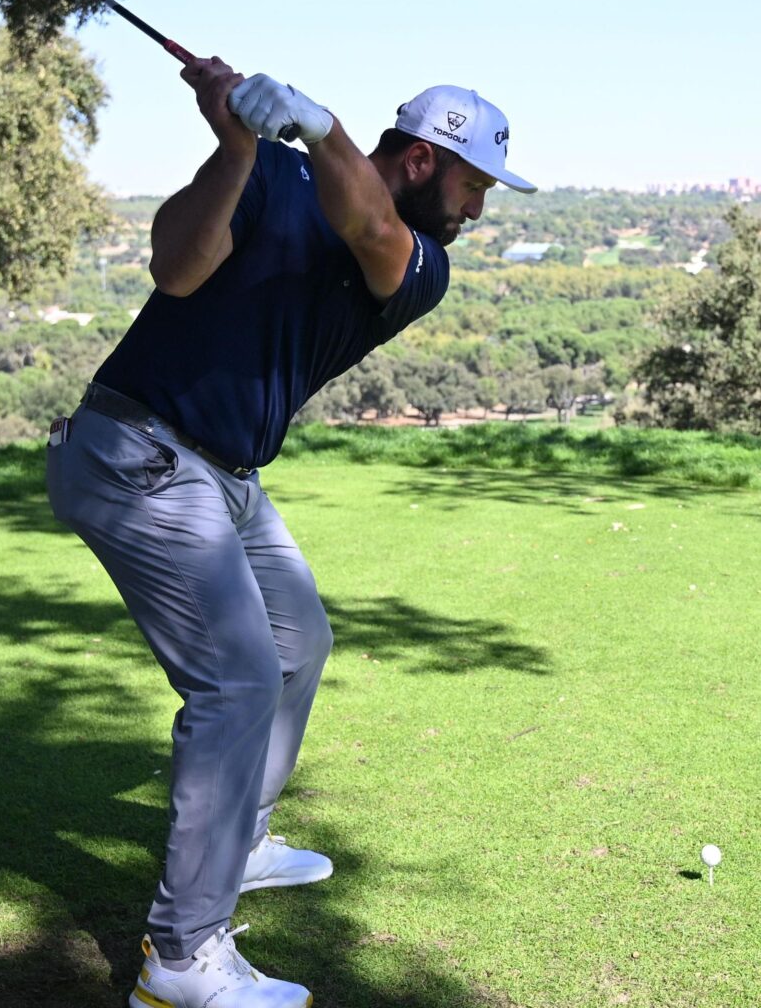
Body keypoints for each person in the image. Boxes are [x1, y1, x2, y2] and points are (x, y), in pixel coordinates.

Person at [45, 55, 535, 1008]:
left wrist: (315, 122)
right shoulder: (270, 174)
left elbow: (366, 223)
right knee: (236, 682)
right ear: (427, 161)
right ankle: (181, 961)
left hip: (223, 473)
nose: (480, 209)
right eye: (476, 184)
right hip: (134, 452)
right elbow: (176, 267)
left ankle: (244, 839)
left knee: (298, 638)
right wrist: (237, 145)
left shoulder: (418, 263)